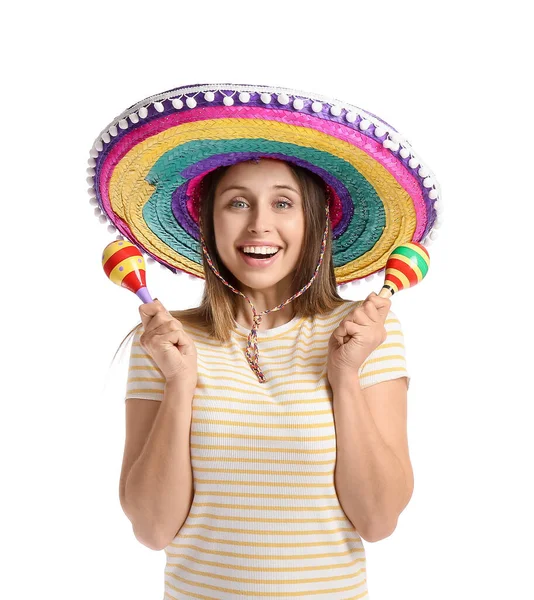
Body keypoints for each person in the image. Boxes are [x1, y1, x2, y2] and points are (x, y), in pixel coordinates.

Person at [89, 83, 439, 598]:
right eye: (237, 203)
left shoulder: (366, 334)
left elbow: (378, 520)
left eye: (282, 202)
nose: (260, 225)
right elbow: (152, 529)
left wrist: (344, 375)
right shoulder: (166, 342)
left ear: (316, 222)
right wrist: (180, 383)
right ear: (208, 222)